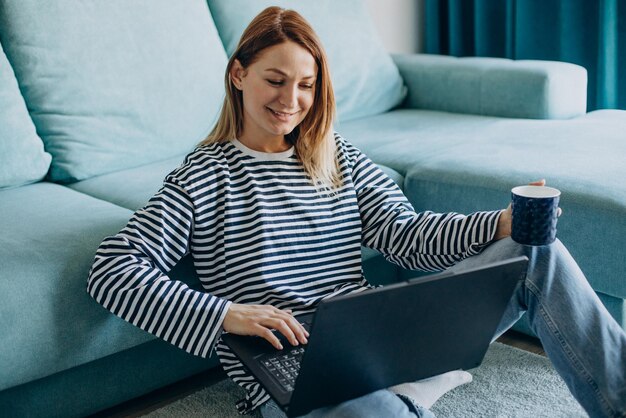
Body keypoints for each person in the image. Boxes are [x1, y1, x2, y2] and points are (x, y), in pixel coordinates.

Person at [87, 6, 626, 418]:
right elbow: (112, 271)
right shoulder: (204, 176)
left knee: (536, 249)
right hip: (293, 364)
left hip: (378, 336)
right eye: (275, 80)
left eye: (306, 84)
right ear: (238, 75)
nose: (290, 100)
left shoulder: (333, 154)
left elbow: (406, 235)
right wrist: (226, 314)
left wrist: (501, 224)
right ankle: (410, 395)